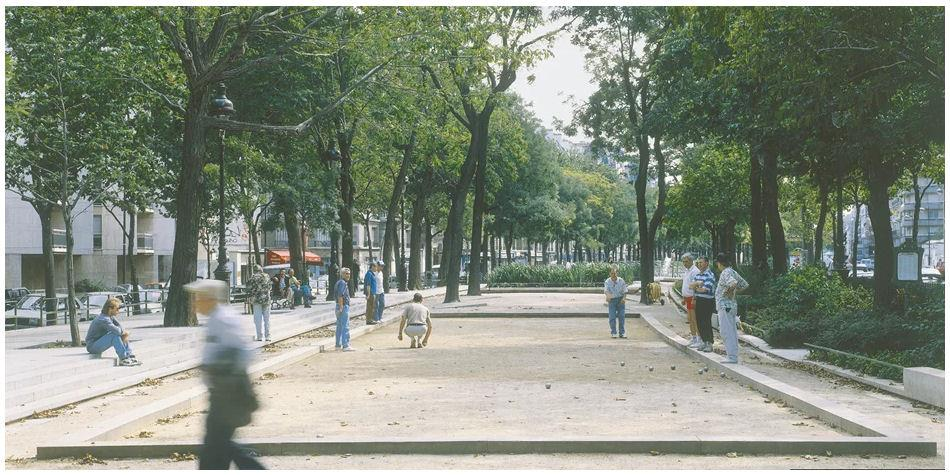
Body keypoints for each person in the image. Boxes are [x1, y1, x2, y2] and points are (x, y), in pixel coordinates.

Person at [185, 279, 263, 470]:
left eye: (198, 298)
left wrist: (223, 375)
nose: (195, 303)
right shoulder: (215, 318)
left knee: (216, 442)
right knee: (220, 443)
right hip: (221, 390)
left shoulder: (223, 319)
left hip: (227, 392)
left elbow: (244, 352)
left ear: (209, 299)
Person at [85, 297, 140, 366]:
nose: (118, 311)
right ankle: (123, 358)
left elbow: (121, 327)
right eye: (117, 309)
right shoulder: (103, 319)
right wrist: (124, 332)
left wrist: (124, 333)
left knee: (121, 334)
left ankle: (130, 356)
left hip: (98, 343)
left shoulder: (110, 317)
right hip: (92, 346)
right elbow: (117, 331)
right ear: (110, 309)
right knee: (114, 335)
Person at [715, 253, 749, 364]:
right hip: (731, 306)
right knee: (732, 331)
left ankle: (732, 357)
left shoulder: (725, 272)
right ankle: (733, 356)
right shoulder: (732, 271)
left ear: (719, 263)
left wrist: (728, 292)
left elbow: (733, 283)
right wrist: (733, 293)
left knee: (726, 331)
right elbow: (744, 285)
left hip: (725, 306)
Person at [690, 256, 717, 353]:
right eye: (698, 263)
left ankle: (709, 342)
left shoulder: (710, 275)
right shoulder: (698, 275)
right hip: (699, 300)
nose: (699, 264)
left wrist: (696, 287)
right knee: (699, 321)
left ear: (707, 263)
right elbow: (691, 286)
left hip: (707, 302)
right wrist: (697, 284)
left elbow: (705, 289)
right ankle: (704, 341)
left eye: (701, 262)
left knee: (706, 321)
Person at [680, 253, 701, 348]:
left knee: (694, 319)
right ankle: (694, 338)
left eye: (686, 261)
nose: (684, 263)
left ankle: (699, 339)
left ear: (691, 261)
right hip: (687, 298)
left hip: (693, 298)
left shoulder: (695, 271)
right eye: (683, 261)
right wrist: (684, 298)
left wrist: (694, 298)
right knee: (690, 319)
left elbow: (696, 286)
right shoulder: (687, 271)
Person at [246, 264, 272, 342]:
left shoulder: (253, 277)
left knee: (257, 319)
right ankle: (268, 336)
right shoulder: (266, 276)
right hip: (266, 300)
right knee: (267, 319)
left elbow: (248, 288)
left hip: (256, 300)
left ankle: (259, 336)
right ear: (261, 270)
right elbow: (270, 286)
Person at [603, 264, 628, 339]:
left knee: (621, 316)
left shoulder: (621, 281)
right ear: (610, 273)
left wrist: (624, 298)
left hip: (620, 300)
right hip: (612, 301)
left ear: (617, 273)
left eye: (615, 273)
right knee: (612, 317)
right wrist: (608, 296)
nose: (613, 275)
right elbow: (606, 290)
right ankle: (613, 332)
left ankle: (622, 332)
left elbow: (625, 291)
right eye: (612, 273)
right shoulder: (607, 281)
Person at [335, 267, 355, 351]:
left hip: (338, 305)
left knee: (339, 326)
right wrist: (341, 307)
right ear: (342, 274)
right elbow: (340, 295)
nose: (348, 275)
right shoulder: (343, 283)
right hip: (343, 306)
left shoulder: (338, 282)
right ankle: (345, 345)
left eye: (349, 274)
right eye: (346, 273)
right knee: (345, 326)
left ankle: (338, 344)